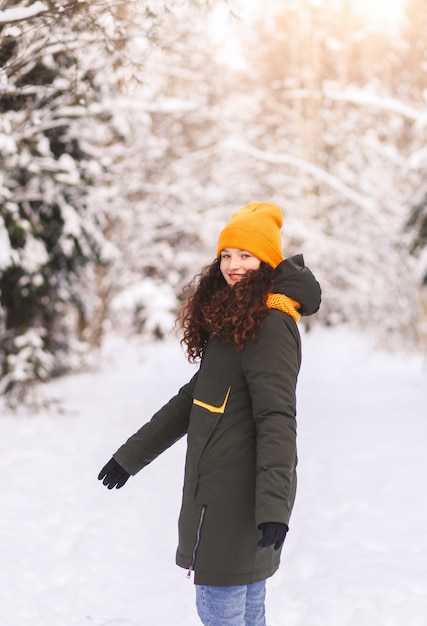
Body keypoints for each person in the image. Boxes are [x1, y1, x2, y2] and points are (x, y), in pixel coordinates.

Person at [98, 201, 321, 626]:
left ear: (267, 261)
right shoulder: (239, 315)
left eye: (246, 255)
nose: (233, 265)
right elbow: (193, 399)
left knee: (221, 612)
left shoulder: (270, 323)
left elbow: (277, 418)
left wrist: (274, 509)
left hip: (238, 503)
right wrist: (129, 457)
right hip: (217, 496)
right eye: (227, 254)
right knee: (245, 613)